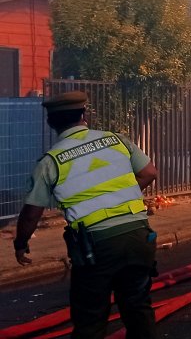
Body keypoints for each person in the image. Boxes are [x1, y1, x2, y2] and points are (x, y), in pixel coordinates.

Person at [13, 91, 159, 339]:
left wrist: (21, 243)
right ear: (84, 115)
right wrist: (122, 198)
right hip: (138, 237)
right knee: (138, 310)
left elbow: (31, 212)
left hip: (96, 248)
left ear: (51, 123)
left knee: (90, 320)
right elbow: (149, 172)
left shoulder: (51, 162)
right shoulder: (116, 140)